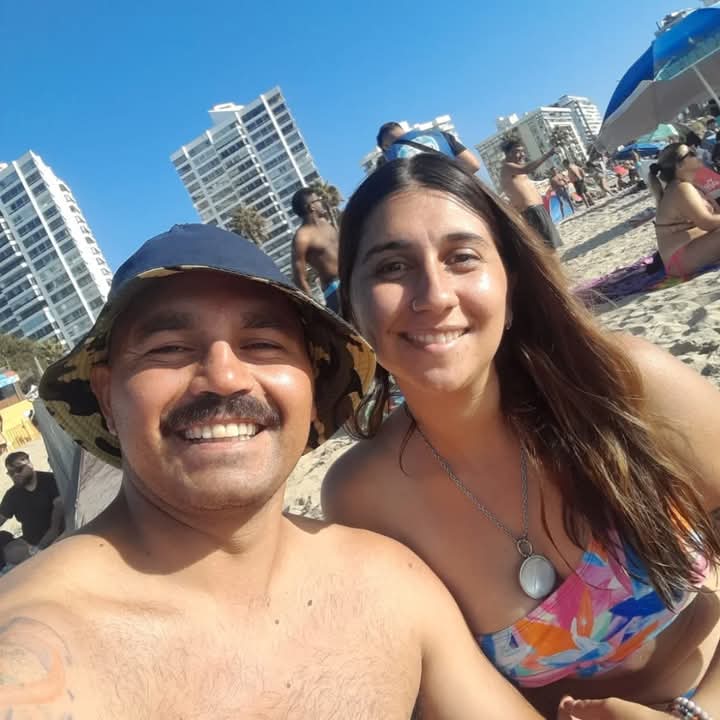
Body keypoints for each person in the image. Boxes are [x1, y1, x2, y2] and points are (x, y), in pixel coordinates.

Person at [0, 223, 541, 718]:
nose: (225, 378)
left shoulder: (389, 582)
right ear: (106, 396)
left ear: (311, 380)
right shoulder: (34, 650)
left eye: (262, 344)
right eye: (169, 348)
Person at [324, 152, 720, 719]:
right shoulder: (362, 496)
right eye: (391, 267)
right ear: (353, 308)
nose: (433, 295)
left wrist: (697, 712)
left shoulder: (623, 383)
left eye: (461, 258)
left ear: (510, 286)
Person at [650, 142, 720, 277]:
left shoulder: (687, 185)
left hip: (688, 251)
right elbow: (707, 222)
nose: (696, 154)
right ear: (679, 165)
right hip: (680, 258)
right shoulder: (681, 188)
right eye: (691, 153)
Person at [0, 451, 63, 566]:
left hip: (59, 537)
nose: (15, 475)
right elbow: (2, 517)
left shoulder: (50, 480)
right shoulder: (12, 495)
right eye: (11, 473)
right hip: (29, 544)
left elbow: (57, 519)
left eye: (19, 469)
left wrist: (42, 546)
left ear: (30, 465)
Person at [500, 141, 562, 250]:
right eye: (518, 152)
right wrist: (548, 154)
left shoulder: (513, 168)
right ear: (508, 153)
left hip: (535, 210)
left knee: (549, 246)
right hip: (532, 211)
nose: (522, 154)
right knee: (548, 247)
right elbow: (526, 169)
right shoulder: (507, 167)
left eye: (523, 151)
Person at [290, 187, 341, 313]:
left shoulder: (326, 223)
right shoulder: (302, 237)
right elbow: (299, 278)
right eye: (318, 200)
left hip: (353, 278)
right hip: (335, 289)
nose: (321, 202)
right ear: (311, 207)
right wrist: (314, 307)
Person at [376, 121, 481, 175]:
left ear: (385, 147)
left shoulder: (388, 158)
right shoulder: (439, 135)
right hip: (460, 195)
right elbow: (473, 165)